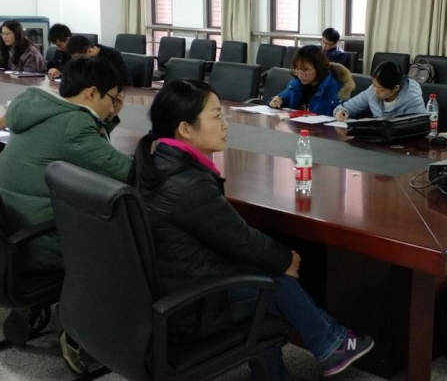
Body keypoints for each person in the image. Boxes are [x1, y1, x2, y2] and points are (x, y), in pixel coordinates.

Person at [132, 79, 374, 379]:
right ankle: (329, 344)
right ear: (185, 129)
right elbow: (241, 240)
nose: (225, 124)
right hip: (194, 310)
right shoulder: (187, 184)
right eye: (216, 116)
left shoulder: (158, 163)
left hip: (170, 291)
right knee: (273, 278)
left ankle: (318, 349)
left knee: (265, 267)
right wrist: (287, 258)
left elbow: (230, 237)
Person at [0, 58, 132, 371]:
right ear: (92, 93)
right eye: (113, 97)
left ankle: (35, 306)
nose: (115, 104)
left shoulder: (38, 110)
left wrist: (107, 119)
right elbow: (127, 172)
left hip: (11, 239)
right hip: (41, 244)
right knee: (125, 243)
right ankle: (77, 329)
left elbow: (83, 150)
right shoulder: (74, 125)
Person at [269, 45, 354, 116]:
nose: (300, 74)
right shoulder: (297, 83)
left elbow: (342, 114)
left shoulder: (334, 87)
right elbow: (282, 97)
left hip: (322, 130)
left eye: (305, 70)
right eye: (297, 69)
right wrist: (277, 100)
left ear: (318, 68)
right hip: (299, 128)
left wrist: (340, 114)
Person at [334, 60, 425, 120]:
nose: (375, 91)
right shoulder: (371, 91)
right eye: (374, 85)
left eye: (381, 90)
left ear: (395, 88)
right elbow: (345, 107)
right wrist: (341, 112)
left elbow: (416, 128)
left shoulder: (412, 99)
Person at [66, 35, 133, 87]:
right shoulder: (80, 58)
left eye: (80, 58)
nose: (78, 62)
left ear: (90, 51)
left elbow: (126, 82)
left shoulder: (112, 55)